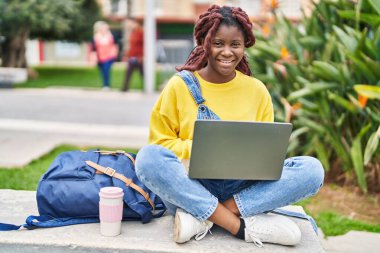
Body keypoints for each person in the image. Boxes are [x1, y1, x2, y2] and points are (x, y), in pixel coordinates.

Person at [135, 5, 324, 247]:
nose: (227, 52)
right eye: (218, 43)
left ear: (244, 45)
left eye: (235, 44)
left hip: (243, 188)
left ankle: (207, 218)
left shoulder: (257, 90)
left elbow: (265, 151)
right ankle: (237, 225)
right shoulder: (180, 86)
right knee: (148, 158)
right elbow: (159, 143)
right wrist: (202, 149)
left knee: (312, 170)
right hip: (192, 186)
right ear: (204, 43)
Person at [91, 21, 118, 89]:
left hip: (109, 56)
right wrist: (94, 58)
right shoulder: (96, 37)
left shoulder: (111, 36)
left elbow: (115, 45)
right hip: (100, 57)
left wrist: (115, 54)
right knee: (102, 71)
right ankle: (105, 84)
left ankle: (106, 85)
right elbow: (94, 48)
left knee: (106, 69)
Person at [122, 18, 144, 91]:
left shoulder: (141, 32)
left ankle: (147, 87)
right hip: (132, 56)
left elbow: (144, 45)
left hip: (139, 57)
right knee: (128, 73)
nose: (131, 25)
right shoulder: (133, 32)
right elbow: (131, 46)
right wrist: (127, 55)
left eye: (132, 24)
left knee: (143, 73)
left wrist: (142, 56)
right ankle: (125, 88)